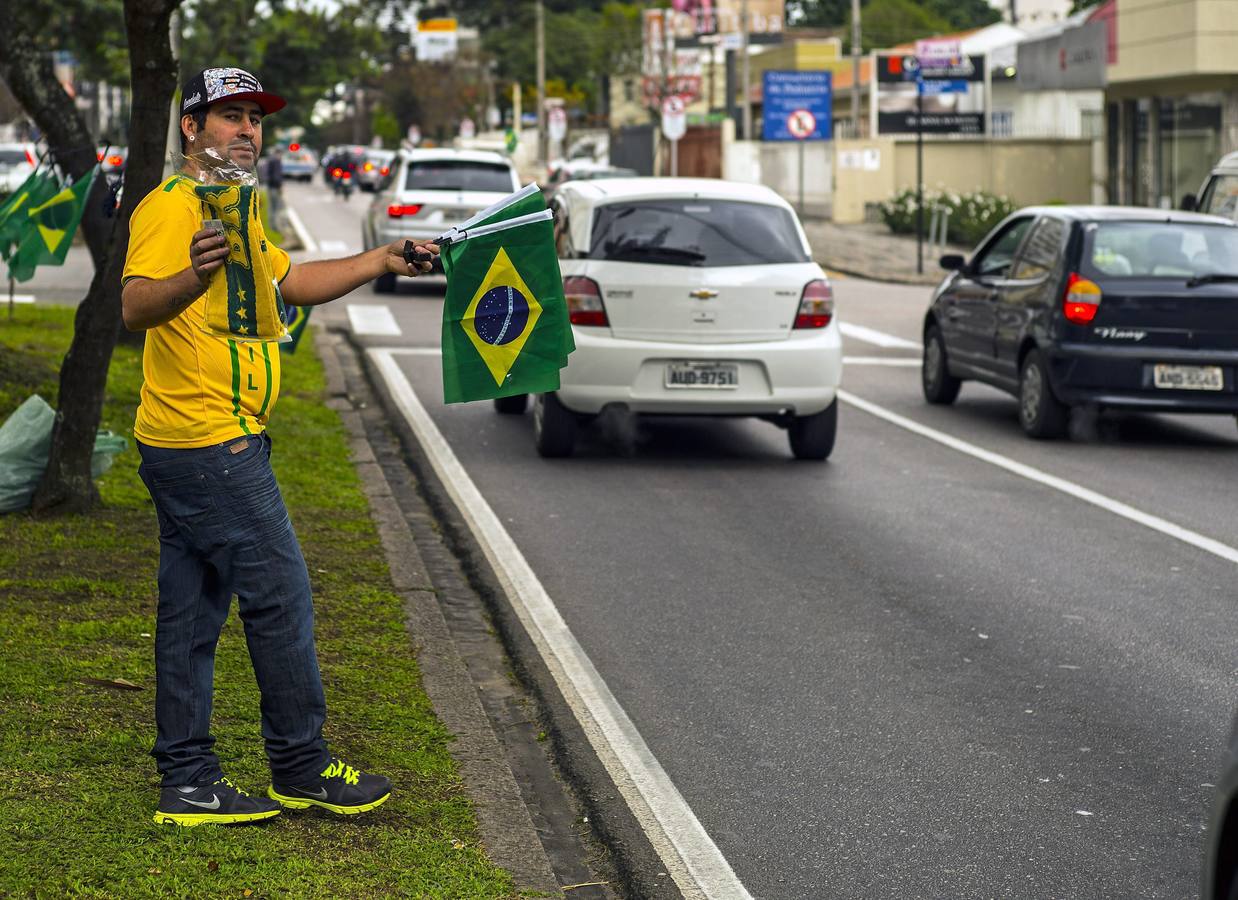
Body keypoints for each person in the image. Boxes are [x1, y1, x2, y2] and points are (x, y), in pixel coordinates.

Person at [121, 66, 438, 827]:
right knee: (282, 597)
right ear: (191, 127)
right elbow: (134, 304)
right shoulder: (173, 206)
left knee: (192, 614)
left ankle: (189, 781)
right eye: (229, 116)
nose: (247, 131)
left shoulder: (235, 208)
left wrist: (382, 260)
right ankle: (300, 766)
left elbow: (288, 283)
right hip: (209, 441)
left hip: (200, 441)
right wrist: (188, 281)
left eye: (255, 119)